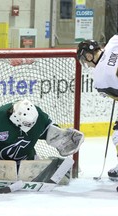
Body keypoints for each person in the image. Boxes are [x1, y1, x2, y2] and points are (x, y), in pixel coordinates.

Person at [0, 99, 84, 167]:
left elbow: (51, 132)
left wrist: (63, 137)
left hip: (25, 163)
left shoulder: (37, 116)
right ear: (16, 118)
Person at [77, 36, 118, 181]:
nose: (87, 63)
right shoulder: (113, 42)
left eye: (85, 59)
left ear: (89, 55)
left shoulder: (100, 78)